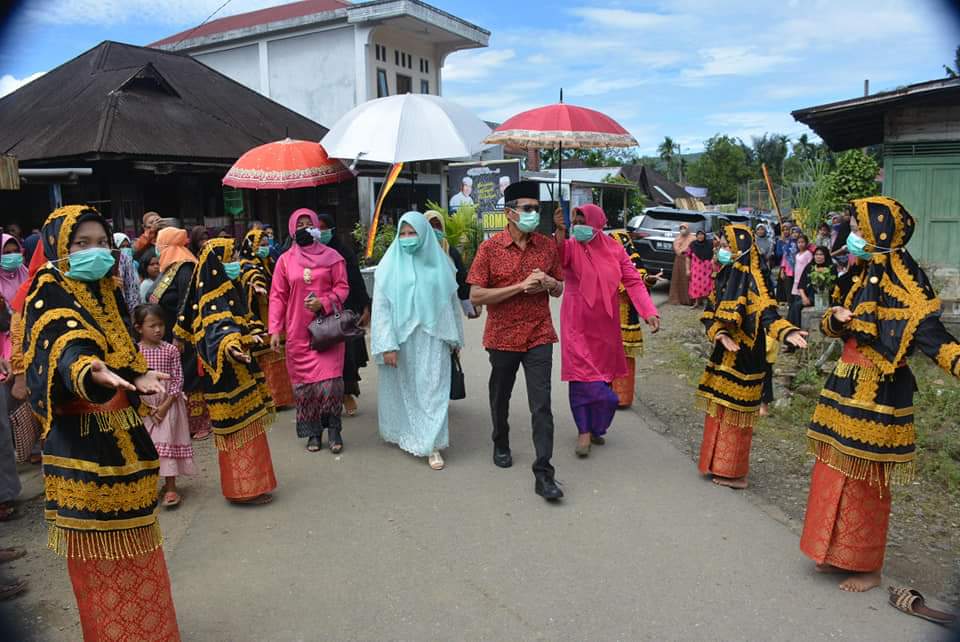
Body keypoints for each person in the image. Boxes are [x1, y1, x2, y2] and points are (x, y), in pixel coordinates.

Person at [23, 205, 180, 640]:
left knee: (139, 544)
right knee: (99, 553)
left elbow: (120, 355)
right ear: (58, 248)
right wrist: (88, 368)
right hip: (83, 450)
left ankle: (150, 630)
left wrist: (135, 375)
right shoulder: (47, 291)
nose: (95, 252)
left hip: (125, 439)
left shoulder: (107, 293)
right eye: (81, 244)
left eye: (102, 244)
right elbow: (66, 343)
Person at [799, 197, 960, 592]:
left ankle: (867, 566)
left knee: (866, 479)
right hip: (844, 383)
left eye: (858, 229)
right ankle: (835, 553)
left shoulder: (907, 287)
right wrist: (834, 319)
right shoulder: (859, 275)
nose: (851, 236)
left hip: (880, 392)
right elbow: (833, 322)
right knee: (834, 467)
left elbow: (934, 338)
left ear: (879, 234)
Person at [468, 180, 564, 501]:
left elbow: (559, 287)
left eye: (537, 209)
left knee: (542, 404)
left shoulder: (547, 246)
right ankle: (500, 440)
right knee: (501, 396)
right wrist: (519, 287)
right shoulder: (490, 249)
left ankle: (544, 472)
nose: (534, 214)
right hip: (503, 335)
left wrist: (549, 282)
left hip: (539, 333)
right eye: (527, 209)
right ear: (510, 213)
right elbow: (477, 295)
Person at [696, 225, 807, 489]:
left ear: (738, 248)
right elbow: (710, 311)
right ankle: (714, 463)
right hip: (725, 351)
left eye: (726, 245)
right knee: (720, 410)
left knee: (737, 415)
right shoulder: (725, 274)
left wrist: (786, 331)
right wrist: (720, 334)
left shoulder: (756, 279)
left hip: (747, 355)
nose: (721, 250)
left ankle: (734, 472)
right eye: (721, 245)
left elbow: (769, 314)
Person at [175, 238, 277, 504]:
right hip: (228, 380)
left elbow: (242, 321)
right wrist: (233, 346)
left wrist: (253, 334)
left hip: (236, 374)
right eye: (229, 259)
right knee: (240, 433)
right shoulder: (212, 300)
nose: (234, 263)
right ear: (216, 265)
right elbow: (219, 333)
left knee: (247, 431)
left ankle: (248, 487)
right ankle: (244, 490)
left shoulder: (225, 290)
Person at [554, 205, 660, 456]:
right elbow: (556, 259)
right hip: (576, 323)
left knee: (603, 379)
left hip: (606, 326)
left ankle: (596, 427)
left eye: (583, 220)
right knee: (583, 381)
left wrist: (649, 311)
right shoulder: (570, 246)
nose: (578, 224)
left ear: (597, 223)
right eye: (575, 219)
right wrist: (559, 232)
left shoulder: (615, 249)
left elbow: (633, 280)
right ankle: (583, 431)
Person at [372, 212, 464, 470]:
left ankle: (432, 443)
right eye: (403, 233)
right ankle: (408, 433)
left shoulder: (441, 263)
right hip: (402, 340)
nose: (407, 239)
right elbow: (381, 308)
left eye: (413, 233)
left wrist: (455, 337)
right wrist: (387, 344)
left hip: (434, 336)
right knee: (406, 389)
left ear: (424, 234)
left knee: (433, 388)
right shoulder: (388, 266)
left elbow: (450, 304)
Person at [269, 209, 349, 453]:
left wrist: (324, 302)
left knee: (330, 384)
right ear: (292, 228)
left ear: (316, 227)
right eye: (299, 224)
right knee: (305, 387)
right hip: (298, 333)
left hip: (328, 333)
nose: (304, 227)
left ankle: (334, 430)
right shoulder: (285, 260)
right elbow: (278, 296)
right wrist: (274, 329)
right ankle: (313, 432)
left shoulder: (333, 257)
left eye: (308, 223)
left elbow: (343, 288)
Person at [152, 227, 211, 441]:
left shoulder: (185, 268)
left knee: (188, 377)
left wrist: (179, 334)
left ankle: (199, 423)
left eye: (160, 244)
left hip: (184, 336)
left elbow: (186, 304)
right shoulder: (171, 267)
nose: (157, 249)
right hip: (167, 333)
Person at [135, 304, 195, 508]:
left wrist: (165, 405)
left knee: (168, 443)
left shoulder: (170, 350)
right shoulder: (135, 352)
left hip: (169, 404)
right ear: (138, 328)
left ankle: (170, 487)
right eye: (152, 326)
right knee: (148, 446)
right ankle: (150, 487)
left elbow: (178, 378)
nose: (158, 330)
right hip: (145, 405)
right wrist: (146, 406)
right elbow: (133, 380)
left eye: (161, 325)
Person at [316, 212, 372, 416]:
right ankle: (327, 397)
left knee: (346, 356)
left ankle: (347, 394)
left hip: (343, 311)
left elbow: (356, 281)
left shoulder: (344, 252)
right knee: (323, 356)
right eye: (317, 228)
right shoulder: (309, 253)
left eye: (324, 228)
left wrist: (365, 307)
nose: (321, 233)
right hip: (318, 312)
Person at [238, 227, 296, 410]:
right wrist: (256, 288)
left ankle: (284, 397)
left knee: (280, 357)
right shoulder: (246, 266)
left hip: (277, 314)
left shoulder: (270, 261)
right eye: (261, 245)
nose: (265, 247)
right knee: (267, 359)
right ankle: (271, 398)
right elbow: (250, 283)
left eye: (266, 244)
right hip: (260, 317)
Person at [609, 228, 661, 408]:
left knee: (625, 358)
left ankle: (622, 398)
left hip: (626, 318)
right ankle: (605, 394)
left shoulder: (630, 261)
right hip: (606, 319)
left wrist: (649, 280)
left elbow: (639, 279)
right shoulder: (602, 261)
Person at [425, 210, 481, 319]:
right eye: (430, 225)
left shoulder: (450, 251)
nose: (435, 229)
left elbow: (461, 280)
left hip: (448, 307)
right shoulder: (417, 252)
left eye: (438, 226)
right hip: (424, 309)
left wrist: (469, 308)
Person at [786, 234, 814, 331]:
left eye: (802, 242)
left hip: (804, 281)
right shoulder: (797, 255)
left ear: (806, 243)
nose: (801, 244)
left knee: (797, 304)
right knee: (793, 303)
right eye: (799, 242)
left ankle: (796, 327)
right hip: (796, 280)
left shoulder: (808, 254)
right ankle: (789, 325)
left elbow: (810, 268)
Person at [112, 232, 141, 315]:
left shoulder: (132, 263)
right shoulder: (112, 264)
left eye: (128, 246)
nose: (125, 249)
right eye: (122, 246)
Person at [687, 229, 714, 308]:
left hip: (707, 269)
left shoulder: (709, 244)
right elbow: (688, 257)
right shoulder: (692, 244)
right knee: (696, 285)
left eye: (702, 234)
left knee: (707, 285)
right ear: (696, 236)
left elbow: (715, 251)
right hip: (696, 269)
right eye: (698, 234)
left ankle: (707, 303)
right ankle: (696, 303)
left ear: (705, 235)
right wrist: (687, 269)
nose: (700, 236)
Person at [667, 223, 693, 305]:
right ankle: (677, 299)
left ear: (688, 229)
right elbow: (676, 248)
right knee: (677, 279)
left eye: (684, 228)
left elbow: (694, 249)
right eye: (681, 228)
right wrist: (680, 251)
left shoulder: (692, 238)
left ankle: (688, 300)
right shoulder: (678, 238)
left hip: (688, 261)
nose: (683, 230)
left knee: (687, 279)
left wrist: (685, 251)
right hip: (678, 260)